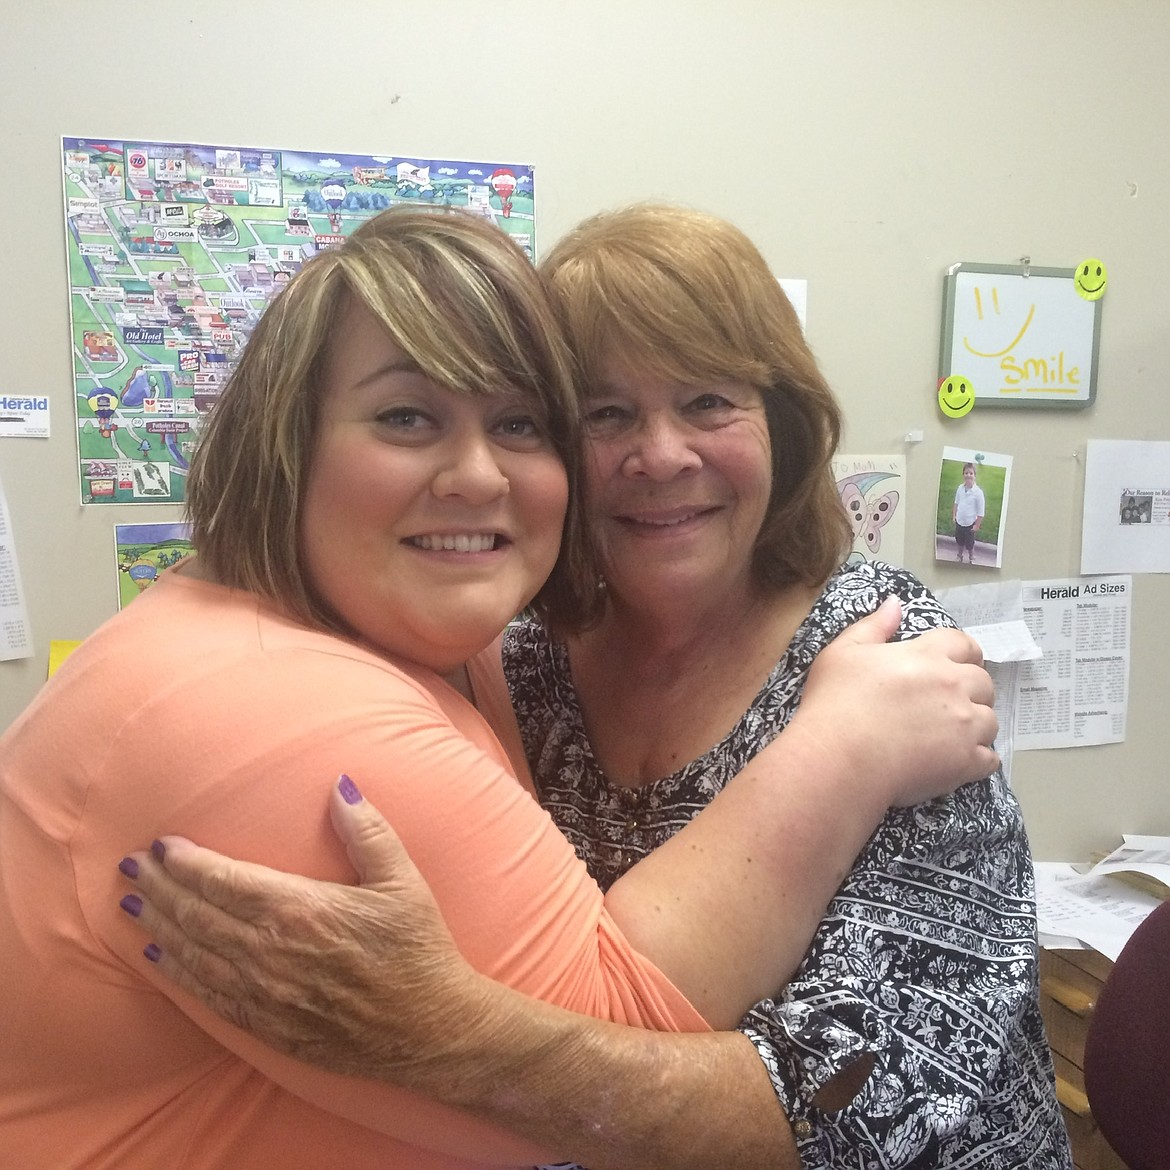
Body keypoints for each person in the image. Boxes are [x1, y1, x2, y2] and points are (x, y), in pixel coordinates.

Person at [0, 206, 1000, 1170]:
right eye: (606, 412)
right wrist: (449, 1035)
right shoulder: (508, 659)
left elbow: (893, 1103)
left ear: (781, 425)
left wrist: (448, 1035)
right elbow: (602, 1030)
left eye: (708, 400)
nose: (659, 453)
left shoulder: (882, 656)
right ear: (287, 444)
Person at [952, 460, 985, 563]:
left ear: (975, 476)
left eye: (971, 473)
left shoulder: (978, 493)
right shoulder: (960, 488)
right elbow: (956, 503)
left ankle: (971, 557)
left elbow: (981, 512)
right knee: (959, 541)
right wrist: (954, 515)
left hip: (970, 524)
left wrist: (977, 525)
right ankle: (959, 555)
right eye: (966, 473)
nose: (968, 475)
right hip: (959, 522)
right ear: (963, 475)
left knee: (970, 543)